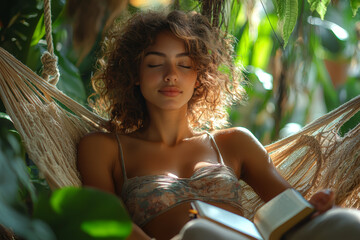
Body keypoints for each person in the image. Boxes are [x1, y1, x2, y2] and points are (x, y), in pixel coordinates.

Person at [77, 10, 360, 240]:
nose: (171, 76)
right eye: (155, 64)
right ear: (135, 74)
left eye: (184, 65)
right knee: (199, 232)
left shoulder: (234, 143)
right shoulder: (104, 148)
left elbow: (289, 208)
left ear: (199, 76)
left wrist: (314, 208)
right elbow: (107, 221)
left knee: (347, 221)